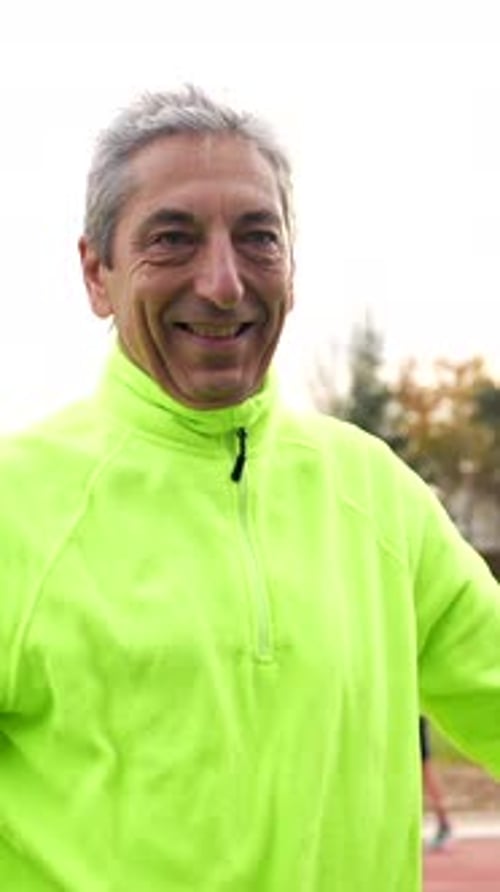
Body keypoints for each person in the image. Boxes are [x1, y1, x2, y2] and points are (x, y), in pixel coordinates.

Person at [0, 85, 499, 892]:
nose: (224, 282)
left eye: (258, 238)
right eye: (173, 239)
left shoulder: (376, 493)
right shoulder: (15, 506)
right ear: (97, 274)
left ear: (291, 269)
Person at [420, 716, 453, 849]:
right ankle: (443, 823)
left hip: (412, 715)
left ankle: (444, 823)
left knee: (424, 766)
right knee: (424, 766)